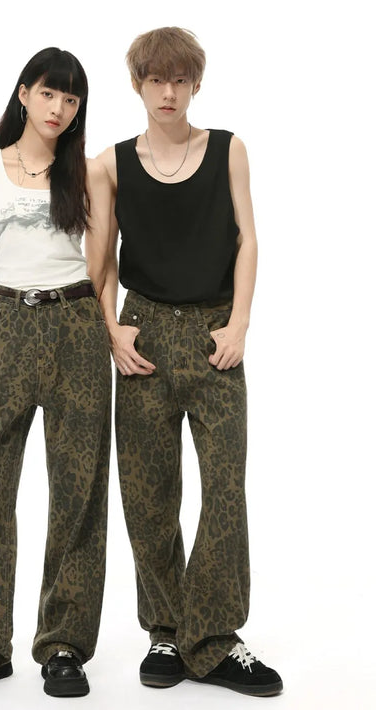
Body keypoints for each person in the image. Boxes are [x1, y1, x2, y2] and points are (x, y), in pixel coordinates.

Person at [90, 27, 283, 697]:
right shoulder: (111, 163)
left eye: (179, 80)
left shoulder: (228, 149)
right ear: (138, 84)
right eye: (155, 79)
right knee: (148, 494)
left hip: (213, 334)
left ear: (195, 84)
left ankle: (217, 637)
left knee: (225, 488)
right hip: (142, 333)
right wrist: (112, 331)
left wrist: (239, 322)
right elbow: (100, 258)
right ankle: (167, 631)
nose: (167, 92)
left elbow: (248, 239)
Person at [0, 47, 111, 698]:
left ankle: (63, 645)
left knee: (79, 490)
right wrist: (5, 323)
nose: (58, 108)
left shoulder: (88, 173)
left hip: (76, 325)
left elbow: (102, 263)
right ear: (23, 94)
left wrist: (83, 323)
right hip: (7, 322)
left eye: (71, 98)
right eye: (48, 93)